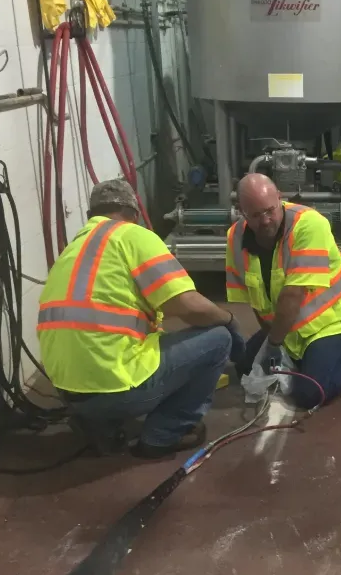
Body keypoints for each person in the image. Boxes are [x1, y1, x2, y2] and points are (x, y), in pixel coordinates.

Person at [38, 179, 245, 459]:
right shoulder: (133, 236)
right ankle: (163, 434)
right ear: (134, 214)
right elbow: (188, 305)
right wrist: (229, 320)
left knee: (144, 341)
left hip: (67, 390)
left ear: (92, 215)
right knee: (217, 339)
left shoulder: (73, 248)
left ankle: (99, 424)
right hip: (115, 388)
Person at [227, 173, 341, 410]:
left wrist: (273, 345)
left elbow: (293, 294)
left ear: (280, 198)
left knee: (309, 394)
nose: (265, 220)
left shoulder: (308, 225)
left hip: (330, 322)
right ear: (241, 212)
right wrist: (269, 336)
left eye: (270, 210)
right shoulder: (235, 238)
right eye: (255, 215)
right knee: (244, 366)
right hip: (288, 326)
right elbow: (254, 299)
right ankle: (301, 357)